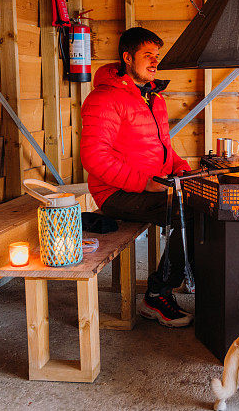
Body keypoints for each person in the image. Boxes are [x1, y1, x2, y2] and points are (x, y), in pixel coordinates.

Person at [80, 27, 194, 328]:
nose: (154, 62)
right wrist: (144, 183)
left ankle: (193, 281)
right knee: (189, 212)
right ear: (127, 57)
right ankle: (156, 296)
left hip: (151, 186)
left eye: (156, 56)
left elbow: (165, 149)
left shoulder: (154, 98)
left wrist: (183, 168)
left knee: (205, 202)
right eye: (147, 56)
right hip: (117, 193)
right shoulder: (103, 99)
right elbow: (94, 157)